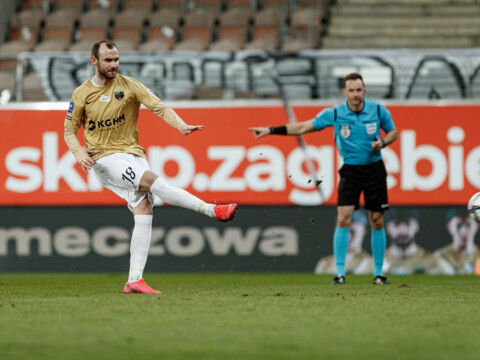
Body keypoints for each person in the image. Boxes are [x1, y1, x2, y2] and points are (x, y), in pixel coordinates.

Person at [64, 40, 237, 294]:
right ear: (94, 62)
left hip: (133, 154)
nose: (114, 65)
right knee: (156, 183)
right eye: (108, 60)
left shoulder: (130, 85)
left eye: (116, 59)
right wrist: (80, 154)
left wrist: (181, 125)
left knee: (144, 207)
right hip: (104, 158)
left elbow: (158, 106)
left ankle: (134, 280)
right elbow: (69, 130)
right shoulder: (81, 94)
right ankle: (212, 210)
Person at [249, 72, 397, 285]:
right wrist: (271, 130)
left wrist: (382, 143)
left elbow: (393, 132)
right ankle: (340, 273)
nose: (356, 94)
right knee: (343, 217)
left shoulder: (378, 110)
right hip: (351, 170)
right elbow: (302, 127)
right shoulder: (336, 114)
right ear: (344, 92)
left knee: (377, 220)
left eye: (359, 90)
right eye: (351, 90)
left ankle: (379, 273)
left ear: (364, 91)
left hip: (375, 170)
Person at [384, 208, 442, 275]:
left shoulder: (432, 261)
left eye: (408, 223)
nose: (403, 230)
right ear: (387, 227)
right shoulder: (375, 262)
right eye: (396, 224)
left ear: (417, 226)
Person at [314, 210, 374, 275]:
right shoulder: (324, 264)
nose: (347, 237)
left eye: (352, 231)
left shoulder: (373, 264)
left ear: (363, 232)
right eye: (342, 232)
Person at [434, 209, 480, 275]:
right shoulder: (440, 256)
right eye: (458, 226)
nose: (463, 231)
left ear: (476, 225)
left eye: (468, 225)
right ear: (449, 226)